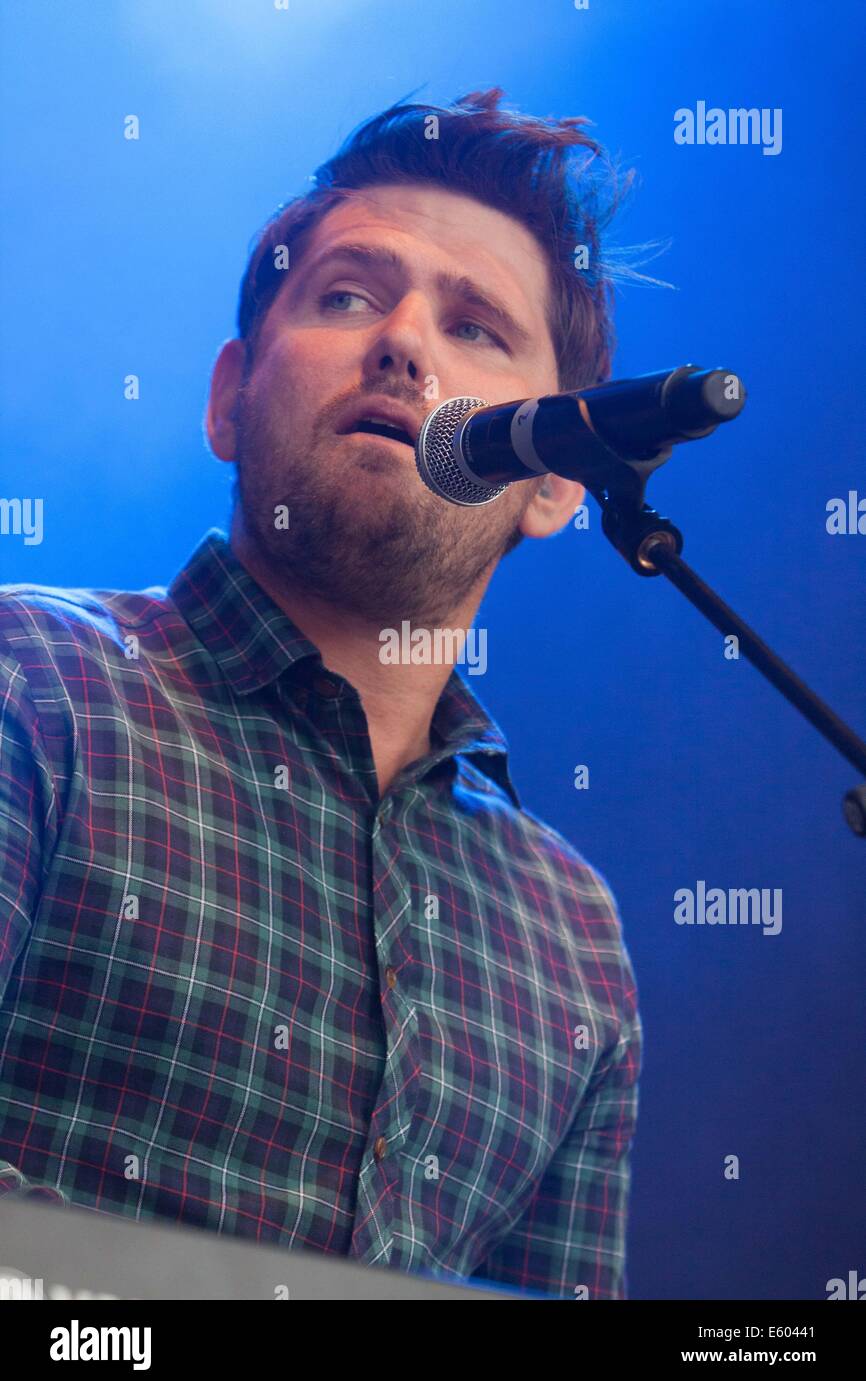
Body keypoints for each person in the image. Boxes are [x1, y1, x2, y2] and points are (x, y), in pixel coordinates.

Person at [0, 88, 642, 1299]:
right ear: (227, 398)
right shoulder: (30, 684)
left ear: (555, 485)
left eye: (476, 328)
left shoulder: (574, 936)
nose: (402, 340)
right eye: (347, 294)